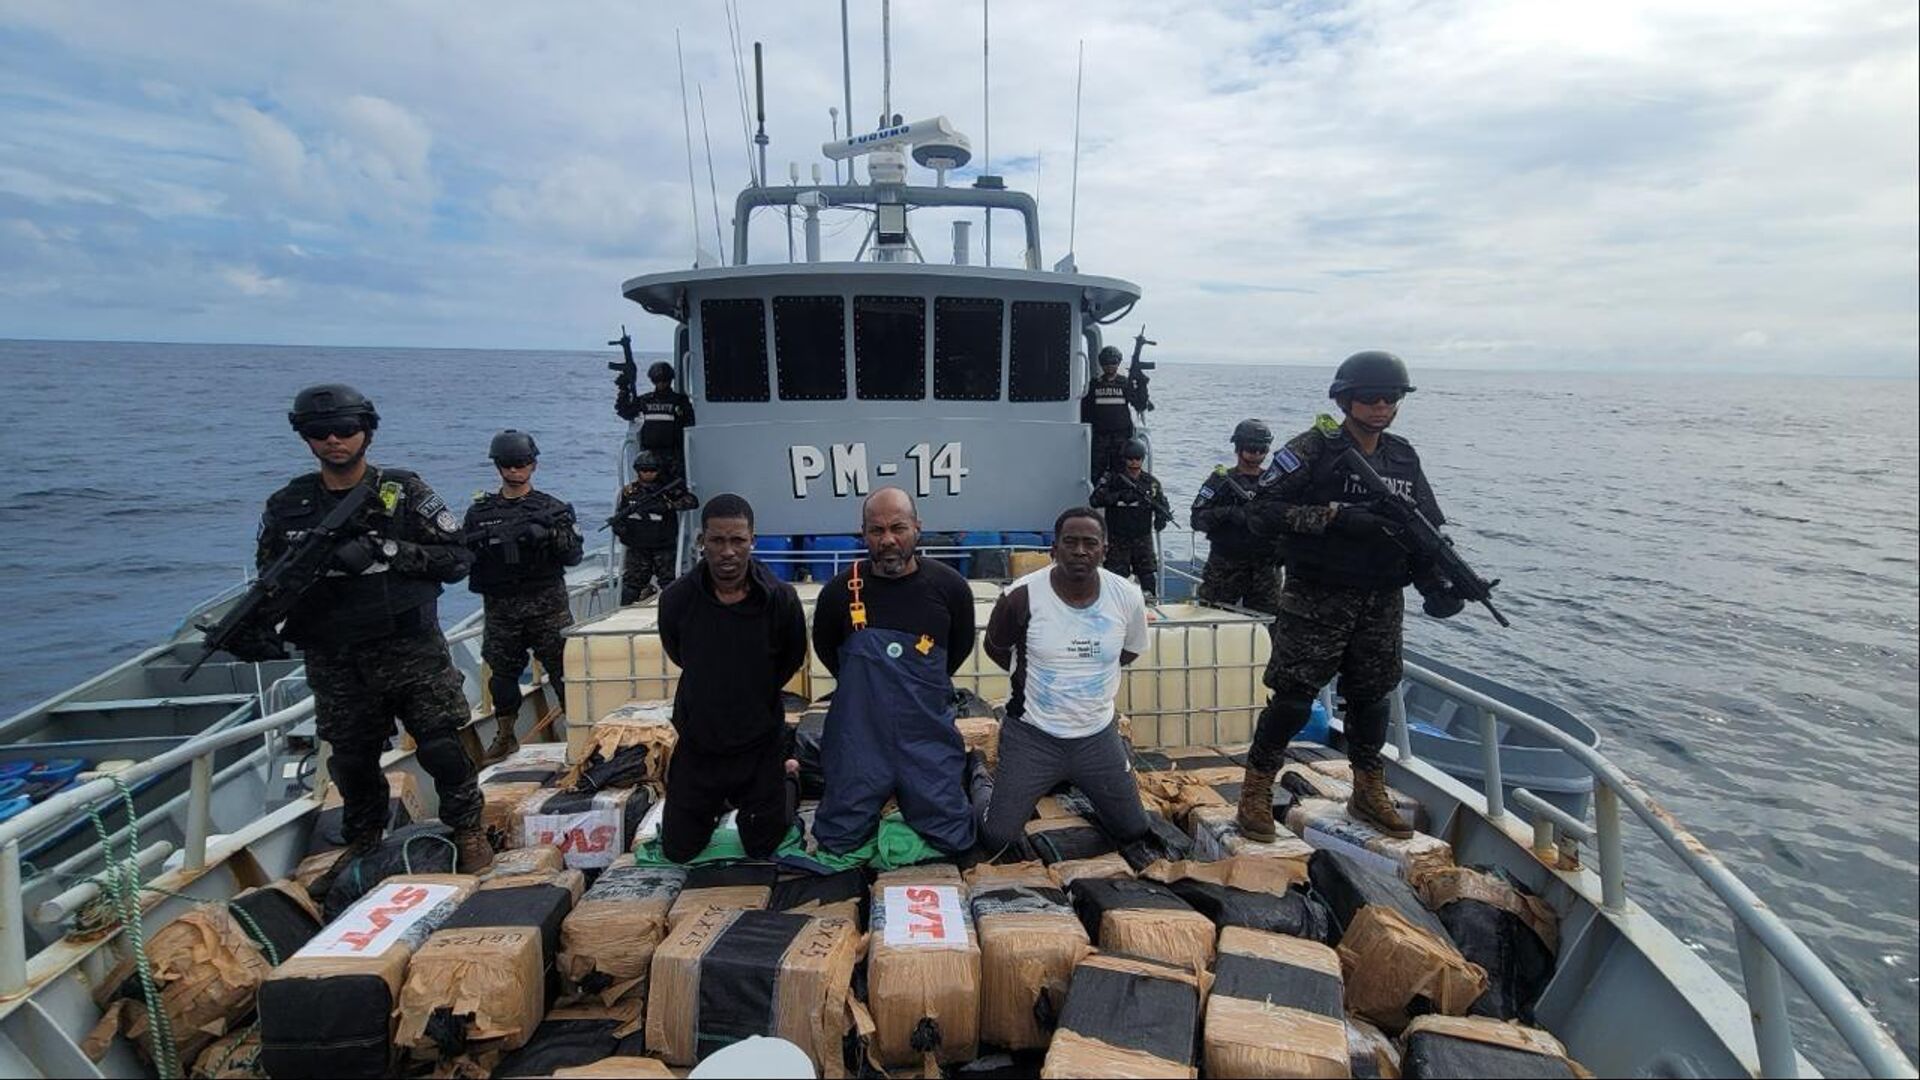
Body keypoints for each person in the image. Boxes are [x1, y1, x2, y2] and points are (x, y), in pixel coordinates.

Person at [258, 384, 492, 895]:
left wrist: (388, 550)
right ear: (304, 437)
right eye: (320, 431)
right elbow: (270, 580)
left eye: (346, 429)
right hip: (337, 656)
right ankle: (364, 840)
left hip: (410, 650)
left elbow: (458, 558)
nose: (334, 440)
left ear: (366, 431)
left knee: (441, 747)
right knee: (351, 760)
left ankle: (469, 829)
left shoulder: (403, 492)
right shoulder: (289, 506)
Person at [1236, 351, 1464, 842]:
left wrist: (1437, 583)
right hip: (1317, 597)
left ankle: (1367, 789)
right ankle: (1255, 788)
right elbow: (1262, 512)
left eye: (1391, 397)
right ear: (1345, 400)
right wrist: (1335, 518)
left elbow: (1423, 529)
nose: (1381, 406)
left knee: (1372, 698)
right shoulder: (1314, 449)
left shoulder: (1402, 456)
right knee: (1294, 700)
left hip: (1380, 599)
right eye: (1370, 397)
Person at [810, 487, 978, 855]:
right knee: (837, 839)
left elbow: (958, 648)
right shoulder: (839, 592)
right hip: (858, 737)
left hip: (926, 734)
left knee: (953, 837)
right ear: (863, 533)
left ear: (917, 527)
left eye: (898, 528)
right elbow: (827, 650)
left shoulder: (949, 587)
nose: (888, 540)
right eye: (877, 530)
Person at [978, 507, 1153, 854]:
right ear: (1054, 549)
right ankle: (978, 777)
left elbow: (1129, 650)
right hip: (1032, 736)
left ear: (1104, 549)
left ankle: (1085, 781)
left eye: (1090, 543)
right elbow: (995, 648)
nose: (1080, 551)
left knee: (1134, 829)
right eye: (1070, 542)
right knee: (997, 838)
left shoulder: (1127, 596)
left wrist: (1087, 673)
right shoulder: (1020, 596)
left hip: (1096, 736)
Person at [657, 494, 809, 862]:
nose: (728, 551)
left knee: (762, 848)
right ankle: (714, 803)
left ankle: (789, 778)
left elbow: (790, 659)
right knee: (678, 850)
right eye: (718, 540)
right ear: (702, 541)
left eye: (738, 540)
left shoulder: (781, 600)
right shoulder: (676, 600)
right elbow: (679, 654)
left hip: (759, 744)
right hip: (700, 744)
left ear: (752, 540)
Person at [463, 430, 583, 763]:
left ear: (533, 465)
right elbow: (463, 555)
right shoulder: (480, 513)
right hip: (502, 609)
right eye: (508, 464)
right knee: (501, 678)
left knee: (564, 672)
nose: (515, 470)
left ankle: (578, 734)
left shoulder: (551, 508)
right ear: (498, 466)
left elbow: (573, 555)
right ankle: (505, 735)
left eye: (521, 463)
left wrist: (550, 535)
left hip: (547, 607)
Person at [1190, 418, 1281, 614]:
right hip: (1225, 566)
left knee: (1267, 624)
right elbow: (1197, 519)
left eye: (1262, 449)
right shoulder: (1220, 481)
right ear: (1238, 448)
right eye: (1251, 449)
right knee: (1212, 618)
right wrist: (1227, 513)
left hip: (1265, 569)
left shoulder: (1276, 484)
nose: (1257, 455)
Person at [611, 451, 698, 604]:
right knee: (631, 585)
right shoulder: (630, 492)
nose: (648, 474)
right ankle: (623, 611)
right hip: (638, 547)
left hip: (662, 546)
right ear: (637, 471)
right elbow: (622, 513)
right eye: (644, 470)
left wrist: (668, 505)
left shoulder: (667, 490)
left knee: (669, 584)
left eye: (652, 470)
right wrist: (619, 527)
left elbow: (692, 501)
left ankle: (675, 611)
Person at [1089, 437, 1171, 599]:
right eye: (1130, 459)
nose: (1134, 463)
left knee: (1148, 577)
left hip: (1142, 538)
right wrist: (1120, 496)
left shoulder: (1151, 483)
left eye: (1138, 459)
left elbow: (1161, 503)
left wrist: (1161, 517)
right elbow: (1095, 500)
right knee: (1115, 580)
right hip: (1118, 539)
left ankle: (1150, 603)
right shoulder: (1112, 479)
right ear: (1124, 459)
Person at [1078, 345, 1150, 480]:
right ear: (1101, 364)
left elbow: (1139, 404)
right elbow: (1084, 411)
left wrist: (1142, 384)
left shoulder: (1125, 383)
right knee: (1096, 473)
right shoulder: (1094, 385)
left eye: (1113, 362)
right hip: (1100, 437)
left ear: (1118, 363)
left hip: (1121, 437)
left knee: (1121, 473)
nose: (1110, 366)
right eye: (1106, 362)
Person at [616, 359, 696, 478]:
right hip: (649, 456)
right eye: (657, 380)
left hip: (673, 457)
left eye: (665, 380)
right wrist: (624, 390)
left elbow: (691, 424)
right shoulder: (645, 400)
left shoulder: (680, 401)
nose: (661, 383)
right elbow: (626, 412)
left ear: (670, 380)